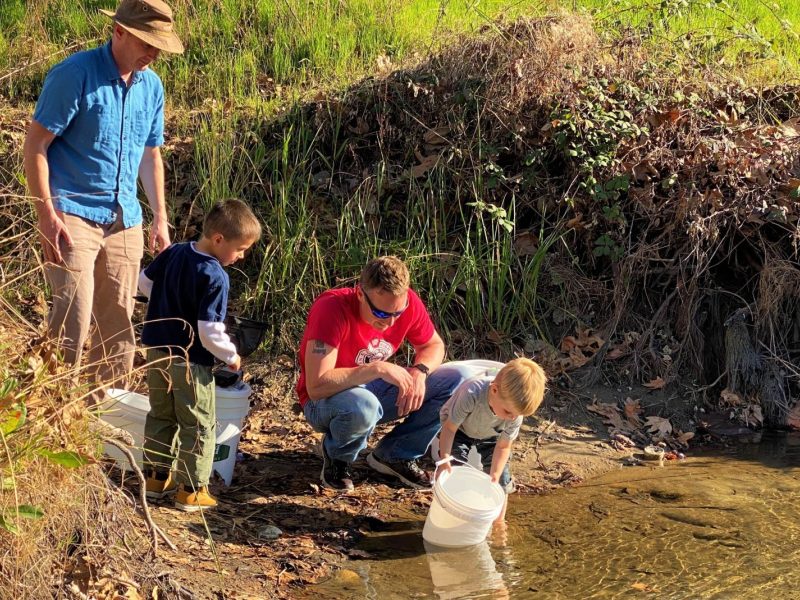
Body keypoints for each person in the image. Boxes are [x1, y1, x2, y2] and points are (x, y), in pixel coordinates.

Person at [22, 0, 183, 399]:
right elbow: (36, 145)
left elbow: (150, 155)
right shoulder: (75, 74)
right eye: (147, 42)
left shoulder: (153, 87)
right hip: (71, 212)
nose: (152, 53)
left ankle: (102, 419)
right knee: (71, 321)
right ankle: (56, 416)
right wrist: (46, 215)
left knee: (120, 328)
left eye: (159, 46)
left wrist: (159, 217)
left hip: (124, 217)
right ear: (119, 32)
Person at [297, 255, 474, 491]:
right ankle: (337, 457)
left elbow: (434, 345)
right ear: (361, 293)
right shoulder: (331, 308)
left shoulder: (408, 302)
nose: (390, 323)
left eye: (397, 314)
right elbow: (316, 386)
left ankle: (395, 455)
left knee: (456, 380)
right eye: (381, 314)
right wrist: (377, 369)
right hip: (324, 401)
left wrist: (420, 371)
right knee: (363, 405)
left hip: (370, 391)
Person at [137, 199, 261, 511]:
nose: (241, 256)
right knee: (197, 422)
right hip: (191, 360)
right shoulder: (215, 275)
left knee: (161, 413)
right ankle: (191, 490)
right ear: (219, 239)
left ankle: (154, 477)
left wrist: (168, 303)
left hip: (156, 350)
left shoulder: (175, 251)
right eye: (241, 249)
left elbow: (144, 282)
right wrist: (231, 355)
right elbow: (209, 331)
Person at [435, 358, 547, 525]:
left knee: (501, 479)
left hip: (491, 435)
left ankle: (498, 522)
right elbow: (450, 428)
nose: (512, 418)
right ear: (494, 390)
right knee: (453, 469)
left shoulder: (514, 415)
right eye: (508, 412)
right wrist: (444, 459)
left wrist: (495, 474)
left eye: (516, 415)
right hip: (460, 429)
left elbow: (503, 446)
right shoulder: (471, 392)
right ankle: (442, 506)